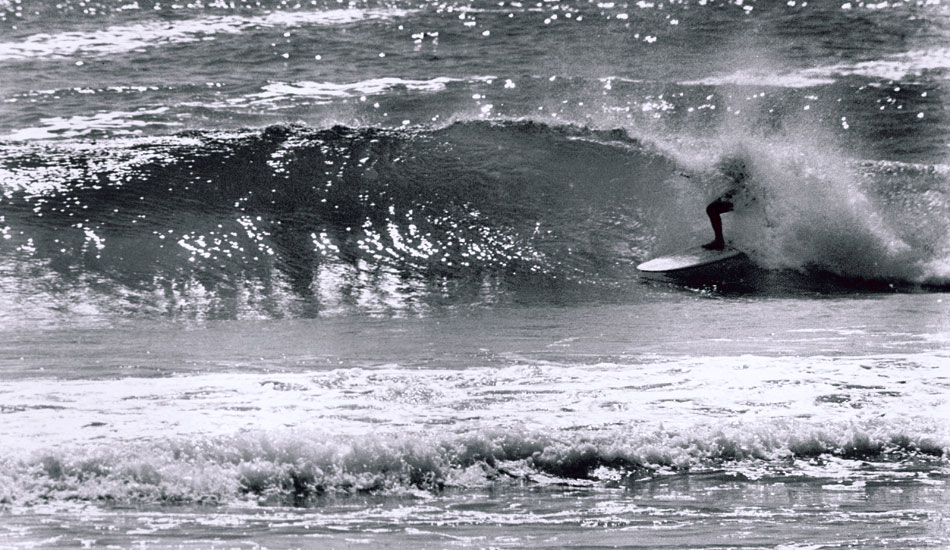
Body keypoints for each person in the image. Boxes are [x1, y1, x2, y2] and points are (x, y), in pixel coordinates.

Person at [702, 156, 753, 251]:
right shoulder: (734, 153)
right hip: (748, 193)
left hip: (749, 194)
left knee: (712, 209)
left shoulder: (736, 155)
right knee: (712, 208)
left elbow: (745, 179)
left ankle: (719, 241)